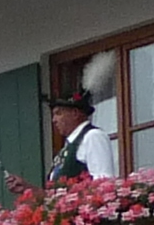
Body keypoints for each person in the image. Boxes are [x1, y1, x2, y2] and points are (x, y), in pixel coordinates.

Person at [44, 58, 118, 187]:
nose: (54, 120)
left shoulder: (93, 136)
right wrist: (26, 188)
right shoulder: (68, 146)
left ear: (75, 113)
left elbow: (104, 181)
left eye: (58, 113)